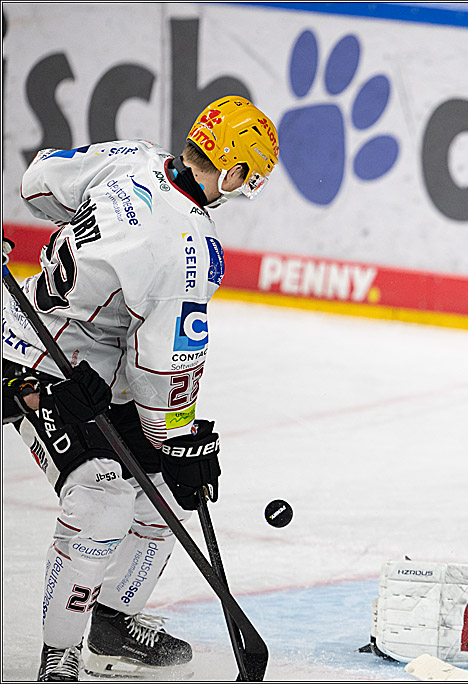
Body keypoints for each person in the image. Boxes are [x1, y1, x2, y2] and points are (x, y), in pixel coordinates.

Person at [2, 96, 279, 681]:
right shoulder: (191, 250)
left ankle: (109, 622)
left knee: (163, 490)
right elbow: (162, 365)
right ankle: (60, 656)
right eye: (248, 179)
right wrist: (170, 435)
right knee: (101, 501)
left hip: (73, 350)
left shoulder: (132, 157)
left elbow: (38, 184)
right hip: (34, 361)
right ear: (233, 172)